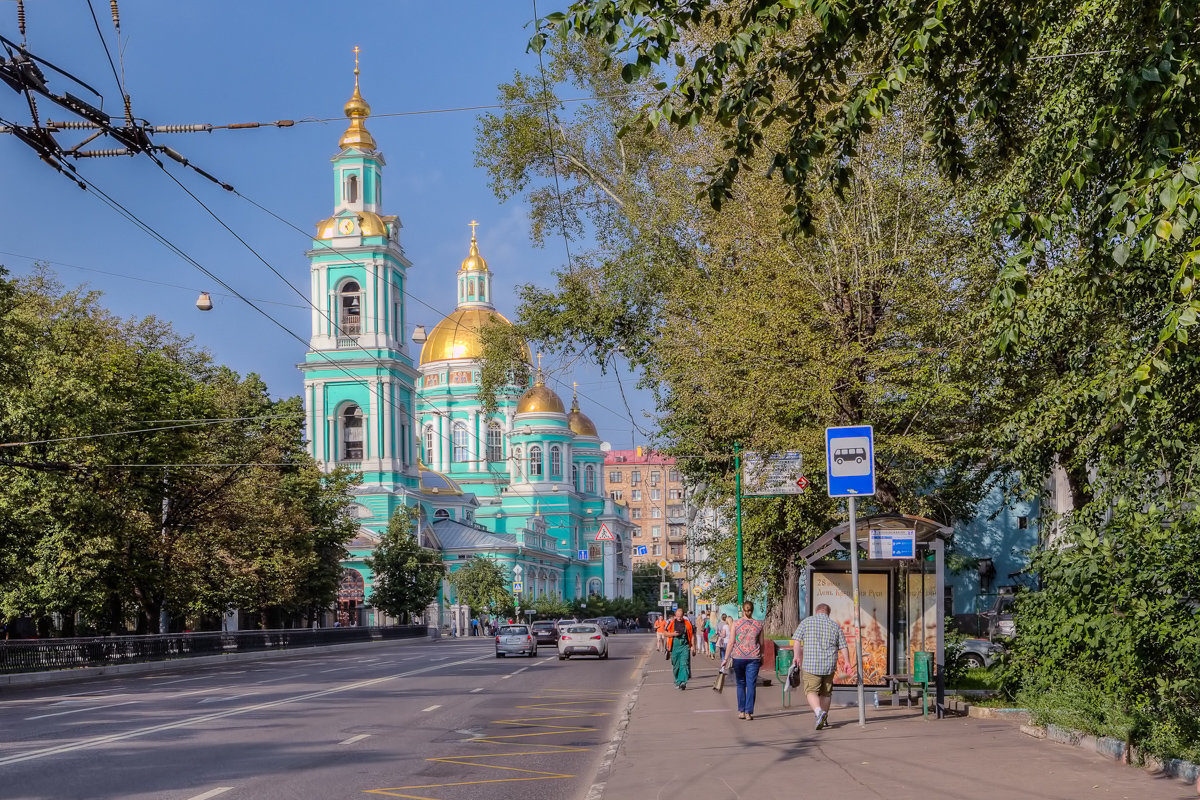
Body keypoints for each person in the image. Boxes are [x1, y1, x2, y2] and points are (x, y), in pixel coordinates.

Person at [793, 603, 851, 730]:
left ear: (816, 611)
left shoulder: (806, 622)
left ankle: (819, 712)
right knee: (826, 693)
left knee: (810, 691)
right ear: (828, 613)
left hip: (811, 665)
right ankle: (824, 720)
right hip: (829, 665)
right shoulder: (835, 626)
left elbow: (797, 640)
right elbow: (843, 646)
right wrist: (847, 662)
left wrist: (796, 656)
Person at [722, 601, 764, 719]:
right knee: (751, 684)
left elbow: (731, 642)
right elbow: (761, 643)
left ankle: (741, 711)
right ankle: (748, 712)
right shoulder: (759, 624)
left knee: (740, 683)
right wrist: (762, 656)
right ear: (752, 610)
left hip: (738, 657)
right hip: (753, 657)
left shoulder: (736, 623)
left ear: (743, 610)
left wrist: (725, 658)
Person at [665, 608, 695, 689]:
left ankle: (683, 682)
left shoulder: (687, 623)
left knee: (684, 663)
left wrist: (693, 646)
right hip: (675, 646)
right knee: (676, 666)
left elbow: (692, 635)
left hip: (685, 646)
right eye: (677, 616)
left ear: (683, 615)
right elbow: (665, 633)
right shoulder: (671, 623)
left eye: (681, 616)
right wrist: (672, 634)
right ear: (675, 616)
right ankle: (677, 680)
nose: (679, 618)